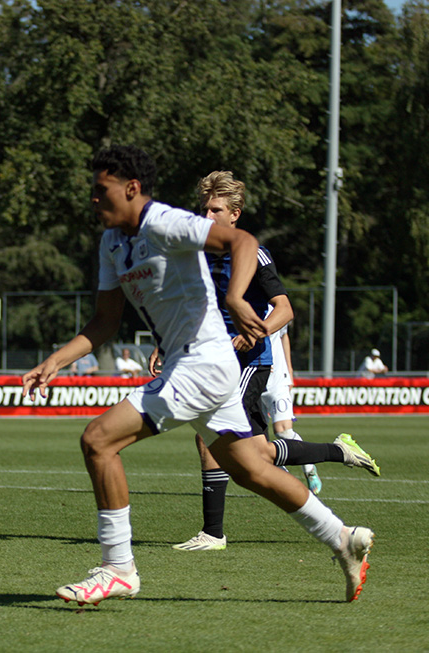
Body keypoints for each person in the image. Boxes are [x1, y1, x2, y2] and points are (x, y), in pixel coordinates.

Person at [21, 146, 375, 606]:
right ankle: (343, 539)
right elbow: (105, 322)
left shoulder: (165, 222)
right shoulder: (111, 243)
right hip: (195, 366)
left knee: (98, 439)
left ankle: (117, 568)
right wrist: (57, 360)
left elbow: (243, 241)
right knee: (251, 469)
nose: (94, 198)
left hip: (203, 364)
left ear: (131, 189)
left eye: (101, 189)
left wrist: (234, 298)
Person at [165, 170, 380, 553]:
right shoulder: (197, 254)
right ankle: (339, 451)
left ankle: (213, 534)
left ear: (236, 214)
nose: (207, 216)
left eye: (216, 209)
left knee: (209, 436)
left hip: (251, 361)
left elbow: (285, 309)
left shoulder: (253, 254)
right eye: (204, 209)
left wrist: (255, 331)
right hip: (218, 359)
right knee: (260, 452)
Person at [261, 320, 321, 493]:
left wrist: (290, 370)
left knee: (283, 431)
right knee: (257, 442)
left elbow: (283, 335)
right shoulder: (237, 305)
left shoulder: (274, 304)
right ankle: (287, 481)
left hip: (277, 380)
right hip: (251, 381)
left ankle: (309, 470)